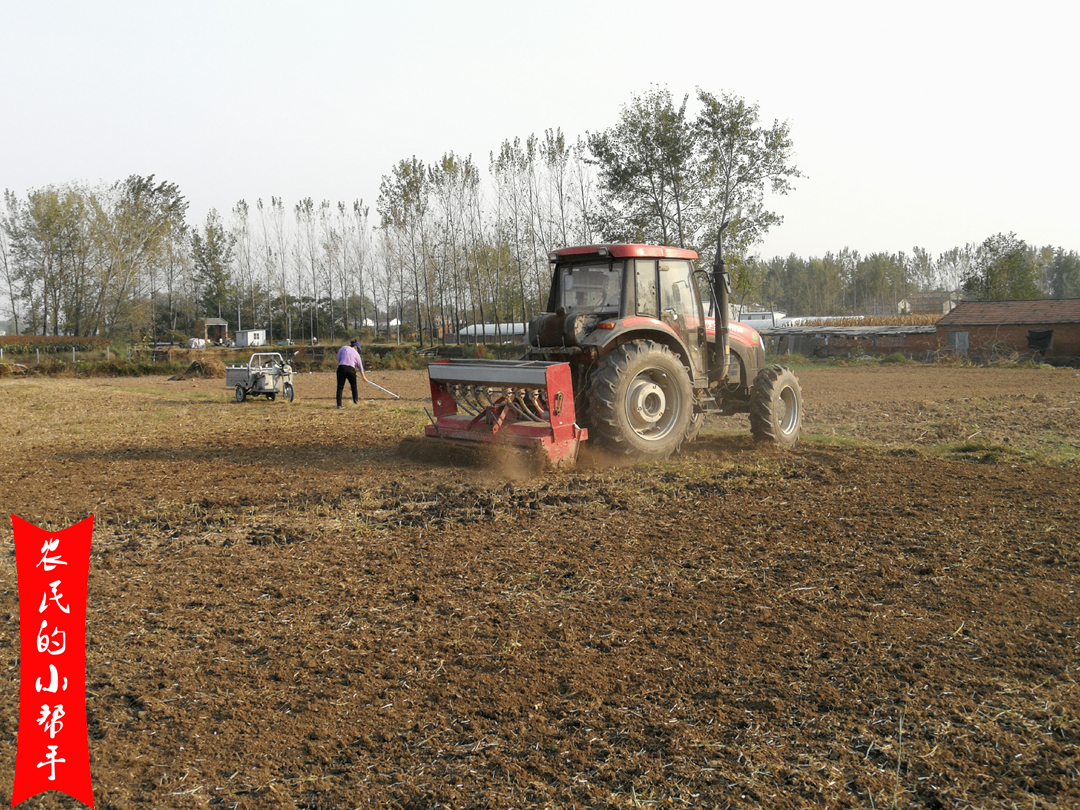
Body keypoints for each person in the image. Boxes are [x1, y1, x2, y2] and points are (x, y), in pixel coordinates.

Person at [335, 339, 369, 408]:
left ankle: (339, 405)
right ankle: (355, 402)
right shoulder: (356, 354)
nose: (358, 350)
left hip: (341, 368)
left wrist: (343, 363)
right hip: (351, 369)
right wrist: (363, 377)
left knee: (340, 387)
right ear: (355, 347)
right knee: (354, 386)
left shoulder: (343, 348)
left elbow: (338, 358)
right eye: (358, 349)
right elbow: (360, 366)